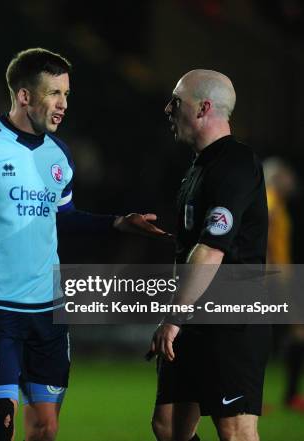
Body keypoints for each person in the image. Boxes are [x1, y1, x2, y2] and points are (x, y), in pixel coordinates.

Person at [0, 47, 168, 441]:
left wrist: (119, 223)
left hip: (48, 309)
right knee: (0, 423)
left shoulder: (60, 155)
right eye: (54, 93)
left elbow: (64, 218)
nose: (63, 104)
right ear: (24, 96)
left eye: (67, 94)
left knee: (45, 428)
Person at [149, 70, 270, 441]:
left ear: (203, 108)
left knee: (235, 431)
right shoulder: (197, 168)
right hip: (193, 312)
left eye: (177, 101)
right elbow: (186, 249)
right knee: (169, 426)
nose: (168, 109)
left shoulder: (236, 163)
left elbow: (210, 251)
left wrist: (173, 316)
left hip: (230, 316)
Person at [262, 157, 304, 412]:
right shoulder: (271, 201)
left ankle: (290, 395)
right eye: (287, 175)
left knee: (293, 332)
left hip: (281, 277)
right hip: (273, 277)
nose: (292, 180)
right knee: (276, 334)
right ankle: (285, 395)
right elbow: (262, 238)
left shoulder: (277, 202)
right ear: (277, 177)